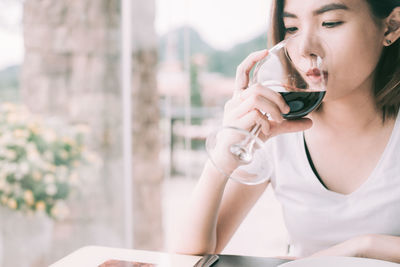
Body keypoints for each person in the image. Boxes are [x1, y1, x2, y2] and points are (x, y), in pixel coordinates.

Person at [173, 0, 400, 263]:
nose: (304, 48)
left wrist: (364, 247)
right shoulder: (279, 130)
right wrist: (223, 156)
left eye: (330, 23)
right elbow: (187, 257)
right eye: (292, 28)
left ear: (391, 26)